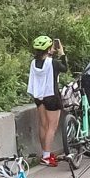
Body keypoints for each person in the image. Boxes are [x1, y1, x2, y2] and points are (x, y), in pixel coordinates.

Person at [28, 37, 66, 165]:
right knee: (52, 127)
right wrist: (61, 53)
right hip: (51, 96)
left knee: (43, 125)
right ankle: (46, 156)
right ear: (49, 49)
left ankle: (45, 152)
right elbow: (65, 68)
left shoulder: (34, 63)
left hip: (39, 97)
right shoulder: (53, 63)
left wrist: (50, 53)